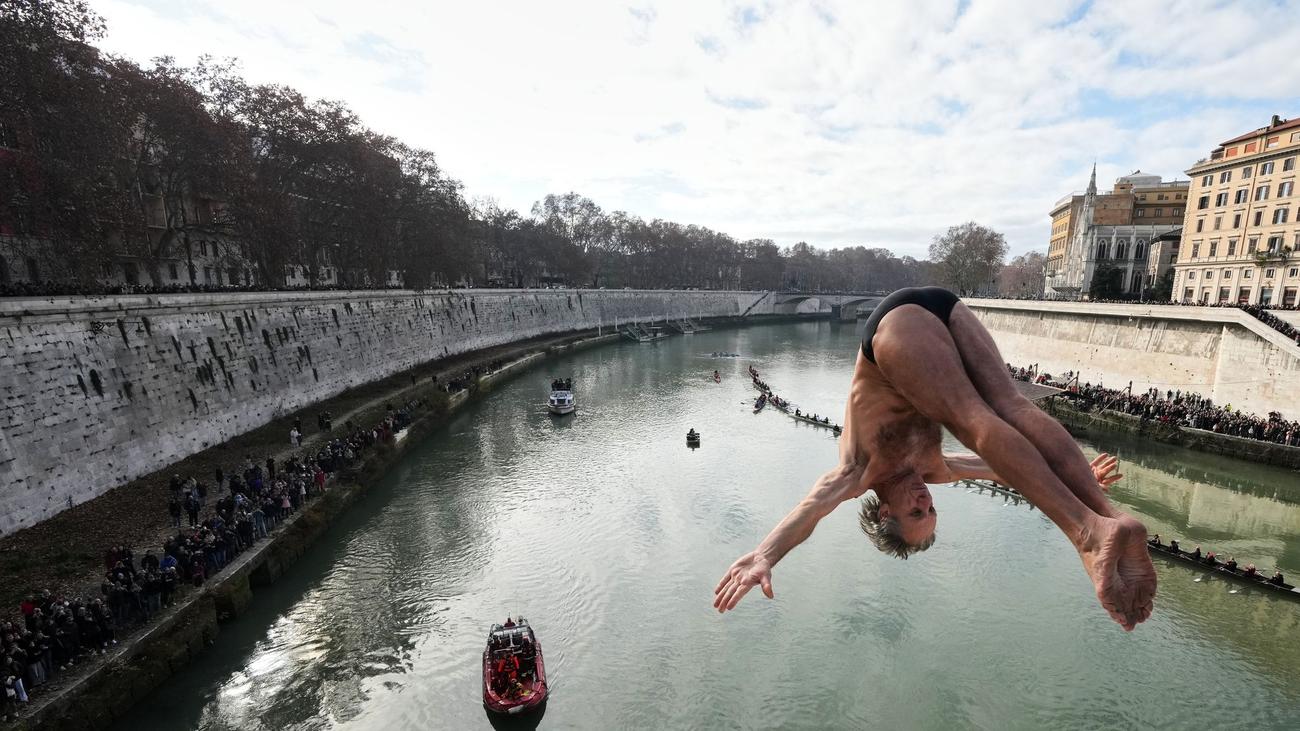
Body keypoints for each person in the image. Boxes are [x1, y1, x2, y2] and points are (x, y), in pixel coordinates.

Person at [714, 286, 1156, 631]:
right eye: (930, 509)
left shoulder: (857, 472)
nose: (925, 499)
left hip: (893, 328)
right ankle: (1108, 517)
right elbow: (1006, 471)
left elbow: (811, 510)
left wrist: (765, 555)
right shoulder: (936, 470)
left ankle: (1087, 533)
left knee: (973, 418)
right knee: (1014, 406)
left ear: (885, 511)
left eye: (915, 510)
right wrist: (1082, 477)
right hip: (946, 307)